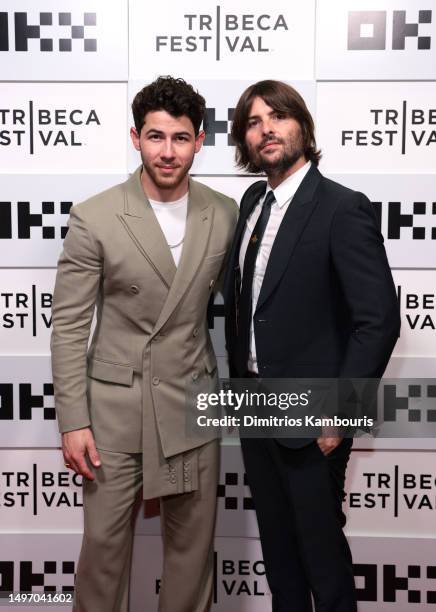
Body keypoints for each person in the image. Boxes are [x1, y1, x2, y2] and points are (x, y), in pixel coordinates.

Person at [51, 76, 238, 612]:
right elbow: (68, 325)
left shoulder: (223, 212)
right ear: (135, 137)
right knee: (105, 553)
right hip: (114, 411)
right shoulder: (97, 215)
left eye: (181, 138)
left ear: (200, 141)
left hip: (191, 402)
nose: (168, 151)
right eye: (156, 137)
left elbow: (247, 307)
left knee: (191, 555)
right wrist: (73, 420)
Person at [224, 80, 400, 611]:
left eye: (278, 116)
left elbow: (378, 321)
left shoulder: (342, 208)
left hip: (312, 419)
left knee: (323, 560)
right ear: (244, 140)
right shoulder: (253, 201)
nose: (267, 129)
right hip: (255, 408)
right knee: (280, 558)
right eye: (254, 122)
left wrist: (339, 415)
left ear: (303, 125)